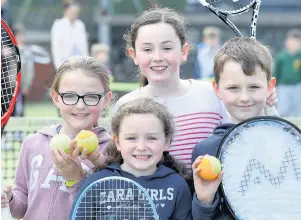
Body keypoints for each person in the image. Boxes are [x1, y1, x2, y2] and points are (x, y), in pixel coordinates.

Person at [115, 7, 277, 180]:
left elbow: (246, 138)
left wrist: (267, 107)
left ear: (184, 51)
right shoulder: (125, 106)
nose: (157, 57)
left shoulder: (211, 94)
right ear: (133, 54)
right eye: (147, 49)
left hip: (210, 202)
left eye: (167, 48)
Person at [1, 56, 112, 219]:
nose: (80, 105)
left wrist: (77, 178)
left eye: (91, 97)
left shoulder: (111, 152)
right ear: (55, 98)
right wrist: (9, 199)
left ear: (106, 100)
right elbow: (21, 209)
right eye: (70, 96)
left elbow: (103, 212)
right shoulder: (32, 144)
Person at [70, 98, 218, 220]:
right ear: (117, 142)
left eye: (151, 138)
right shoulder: (96, 183)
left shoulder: (176, 185)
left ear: (167, 142)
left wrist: (205, 201)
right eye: (132, 138)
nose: (141, 147)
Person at [191, 37, 277, 219]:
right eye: (234, 88)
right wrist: (204, 201)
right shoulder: (206, 151)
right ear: (217, 89)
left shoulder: (286, 143)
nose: (244, 97)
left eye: (254, 86)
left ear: (270, 87)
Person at [50, 0, 88, 71]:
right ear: (66, 11)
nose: (74, 14)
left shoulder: (80, 25)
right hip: (64, 63)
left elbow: (84, 47)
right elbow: (56, 47)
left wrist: (86, 63)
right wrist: (58, 66)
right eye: (72, 12)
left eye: (76, 12)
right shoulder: (58, 24)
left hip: (80, 63)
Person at [273, 29, 301, 117]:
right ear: (287, 42)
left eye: (296, 42)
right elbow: (276, 73)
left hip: (298, 86)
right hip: (284, 87)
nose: (293, 44)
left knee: (298, 110)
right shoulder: (282, 57)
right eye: (291, 42)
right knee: (284, 110)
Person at [11, 23, 35, 117]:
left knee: (20, 109)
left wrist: (26, 85)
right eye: (19, 35)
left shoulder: (27, 51)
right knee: (11, 109)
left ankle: (20, 131)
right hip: (11, 86)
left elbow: (30, 70)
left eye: (22, 35)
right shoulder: (10, 50)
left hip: (21, 85)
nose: (21, 37)